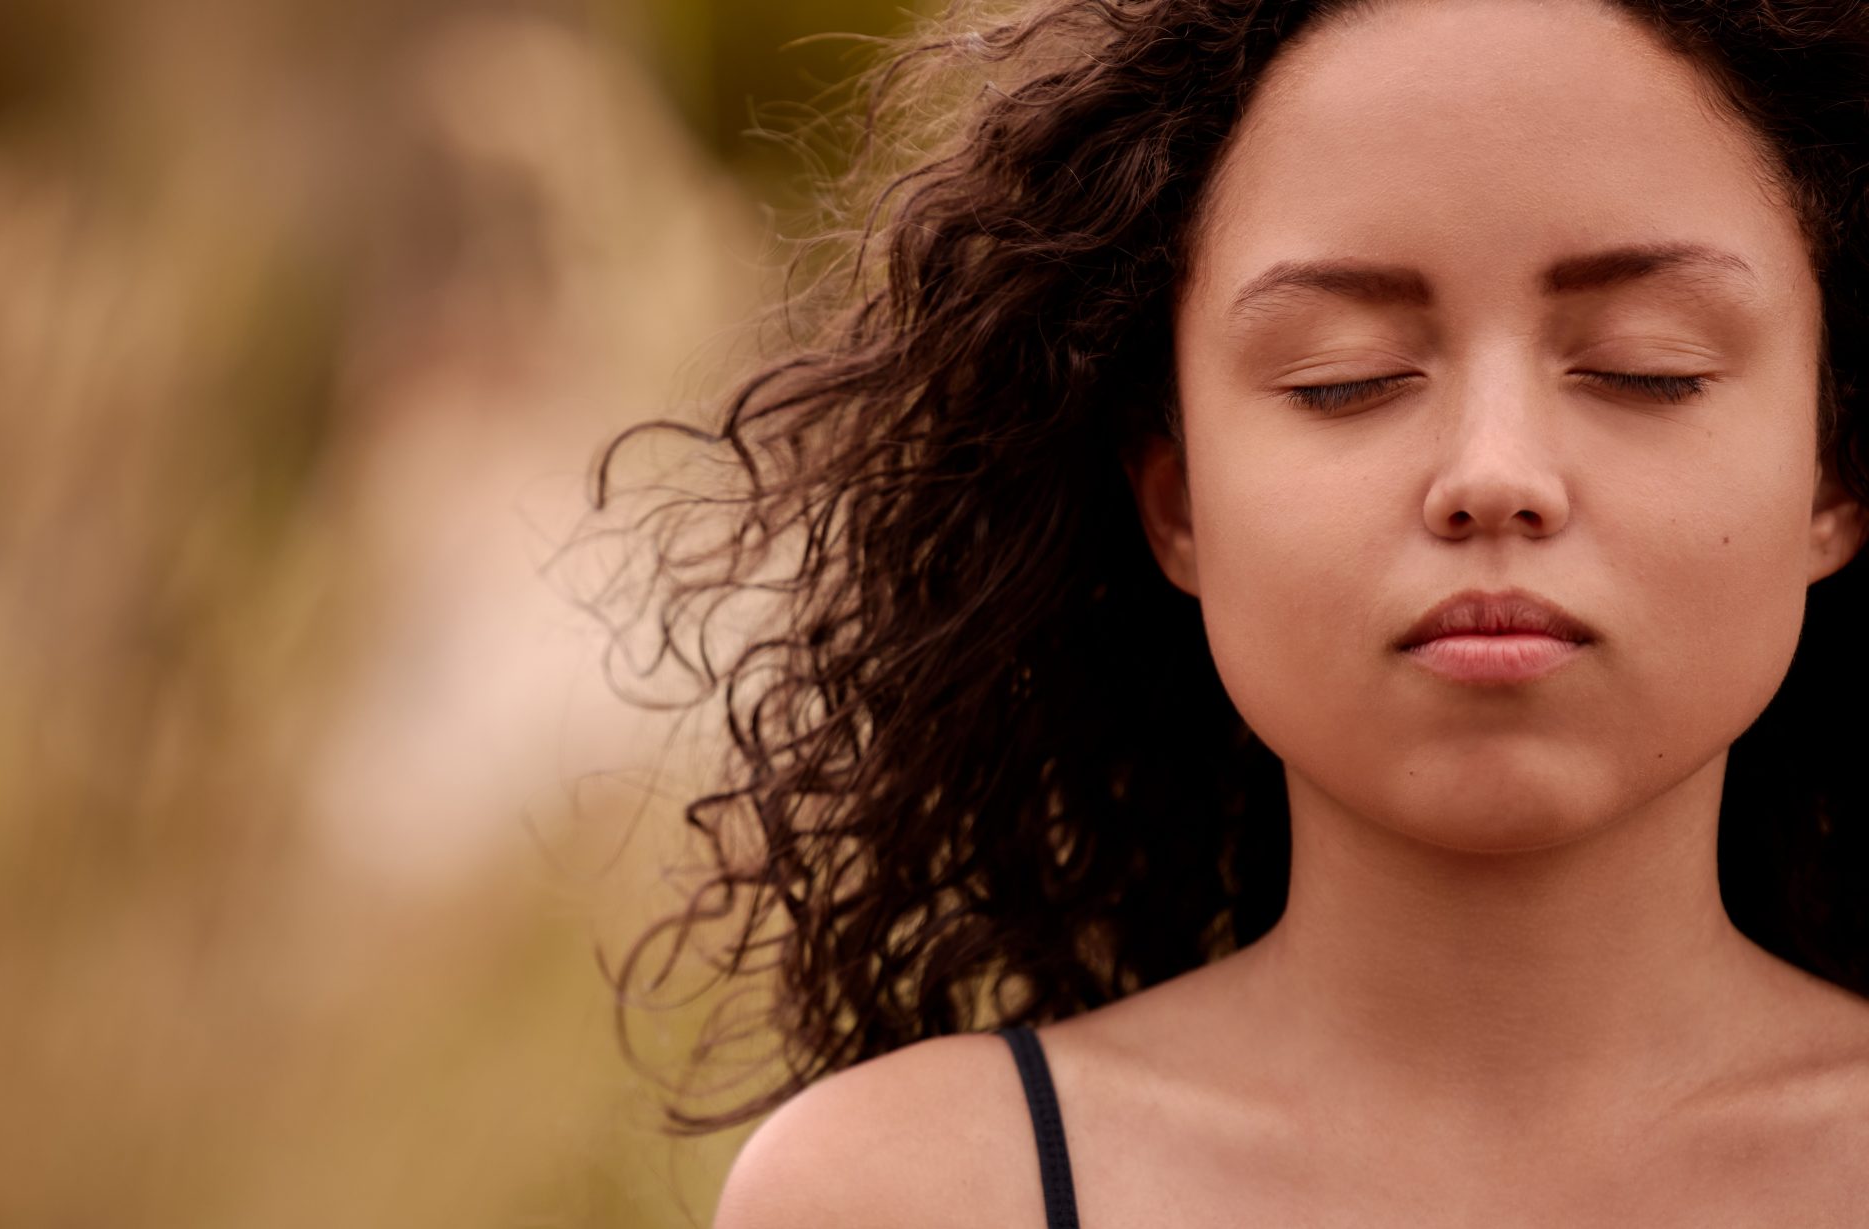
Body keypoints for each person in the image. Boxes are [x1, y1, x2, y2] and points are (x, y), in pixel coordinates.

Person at [585, 0, 1869, 1222]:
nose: (1493, 474)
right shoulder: (916, 1194)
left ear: (1830, 473)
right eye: (1342, 379)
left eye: (1648, 367)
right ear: (1177, 502)